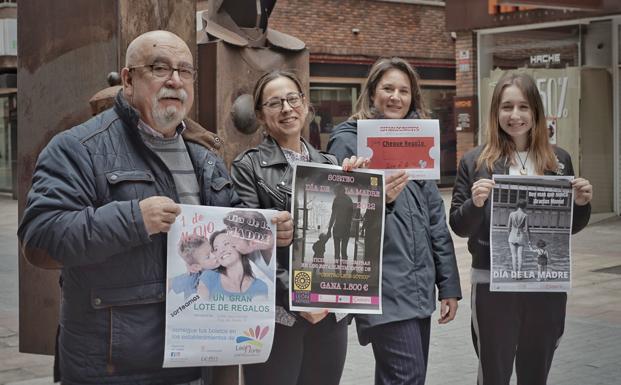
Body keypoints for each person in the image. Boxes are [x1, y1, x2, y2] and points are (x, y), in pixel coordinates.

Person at [17, 30, 293, 385]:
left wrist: (268, 231)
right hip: (113, 367)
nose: (175, 80)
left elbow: (230, 224)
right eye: (159, 68)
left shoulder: (204, 157)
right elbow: (40, 239)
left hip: (196, 359)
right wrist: (134, 219)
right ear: (129, 79)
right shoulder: (77, 148)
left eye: (185, 71)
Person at [449, 72, 592, 385]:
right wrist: (475, 203)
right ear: (496, 112)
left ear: (536, 112)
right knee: (494, 372)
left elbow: (569, 228)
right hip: (493, 286)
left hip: (545, 287)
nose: (515, 115)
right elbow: (459, 226)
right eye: (506, 107)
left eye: (523, 107)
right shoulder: (476, 161)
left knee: (535, 371)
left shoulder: (559, 160)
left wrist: (581, 204)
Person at [327, 57, 462, 385]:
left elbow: (435, 222)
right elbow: (337, 213)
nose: (395, 97)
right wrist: (376, 196)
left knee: (402, 377)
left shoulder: (418, 143)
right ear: (372, 93)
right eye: (387, 88)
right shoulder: (348, 139)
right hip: (381, 286)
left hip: (418, 289)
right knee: (408, 377)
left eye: (404, 90)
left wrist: (449, 286)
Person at [231, 70, 366, 385]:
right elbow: (246, 245)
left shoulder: (333, 165)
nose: (287, 109)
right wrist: (298, 296)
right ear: (261, 116)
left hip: (330, 312)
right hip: (279, 315)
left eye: (293, 99)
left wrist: (367, 191)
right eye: (275, 103)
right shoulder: (247, 167)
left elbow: (362, 228)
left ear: (305, 105)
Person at [197, 229, 268, 299]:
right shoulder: (209, 277)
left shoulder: (259, 286)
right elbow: (197, 306)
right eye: (216, 249)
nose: (221, 250)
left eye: (226, 244)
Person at [327, 183, 354, 261]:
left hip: (338, 228)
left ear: (341, 190)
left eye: (336, 191)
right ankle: (342, 270)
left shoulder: (337, 200)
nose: (335, 193)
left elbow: (333, 215)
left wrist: (329, 229)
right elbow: (350, 216)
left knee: (338, 251)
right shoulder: (348, 200)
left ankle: (338, 270)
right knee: (343, 251)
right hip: (345, 228)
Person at [507, 199, 531, 275]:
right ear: (524, 206)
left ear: (518, 205)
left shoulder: (511, 214)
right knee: (520, 256)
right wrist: (529, 239)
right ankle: (520, 274)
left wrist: (509, 236)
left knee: (513, 256)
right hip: (521, 236)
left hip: (512, 236)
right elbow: (527, 229)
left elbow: (508, 228)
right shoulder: (525, 215)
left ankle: (514, 274)